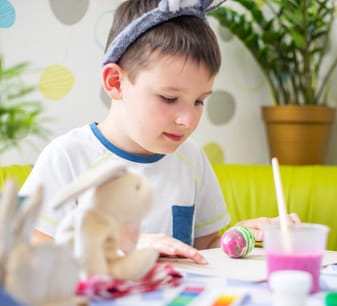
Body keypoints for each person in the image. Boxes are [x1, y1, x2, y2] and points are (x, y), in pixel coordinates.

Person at [20, 0, 299, 264]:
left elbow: (205, 247)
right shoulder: (69, 157)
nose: (187, 120)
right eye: (168, 98)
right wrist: (120, 249)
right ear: (115, 81)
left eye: (199, 101)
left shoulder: (192, 161)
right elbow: (26, 245)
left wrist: (239, 238)